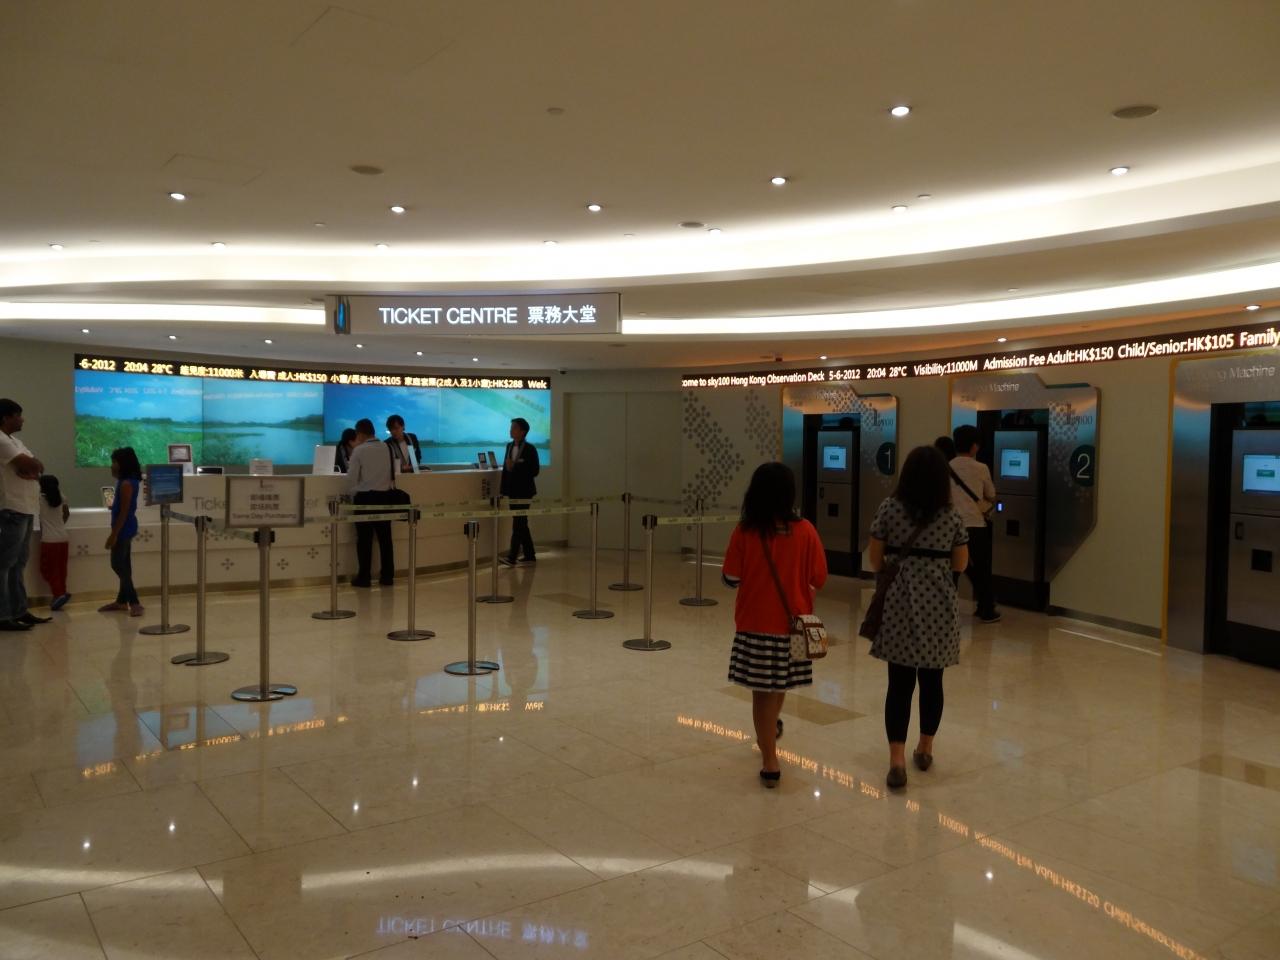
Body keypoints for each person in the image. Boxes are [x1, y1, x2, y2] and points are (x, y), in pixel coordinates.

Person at [867, 445, 969, 790]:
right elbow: (961, 563)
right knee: (932, 680)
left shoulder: (889, 508)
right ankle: (925, 749)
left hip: (899, 603)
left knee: (899, 684)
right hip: (939, 605)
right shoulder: (951, 516)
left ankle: (896, 760)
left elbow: (875, 559)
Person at [722, 462, 827, 788]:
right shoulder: (806, 531)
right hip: (794, 625)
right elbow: (819, 577)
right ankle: (770, 732)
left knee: (761, 692)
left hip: (754, 623)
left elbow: (730, 577)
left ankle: (770, 758)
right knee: (780, 684)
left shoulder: (745, 531)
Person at [0, 398, 50, 631]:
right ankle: (4, 615)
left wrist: (33, 468)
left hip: (26, 509)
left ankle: (19, 610)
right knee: (5, 564)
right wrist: (32, 467)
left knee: (18, 563)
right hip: (12, 508)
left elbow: (38, 467)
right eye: (18, 415)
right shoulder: (1, 440)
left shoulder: (15, 441)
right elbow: (31, 465)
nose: (22, 419)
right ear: (6, 417)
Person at [950, 424, 1000, 624]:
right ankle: (986, 609)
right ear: (974, 446)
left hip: (952, 526)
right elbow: (991, 494)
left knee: (952, 570)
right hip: (975, 526)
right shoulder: (981, 468)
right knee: (981, 569)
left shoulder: (947, 467)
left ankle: (948, 608)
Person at [347, 418, 396, 587]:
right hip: (385, 497)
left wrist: (352, 493)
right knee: (385, 539)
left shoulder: (359, 450)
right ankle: (387, 576)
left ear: (360, 433)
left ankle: (364, 577)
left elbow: (351, 478)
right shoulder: (387, 447)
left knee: (364, 540)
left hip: (365, 498)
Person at [99, 447, 144, 617]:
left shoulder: (126, 484)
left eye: (114, 462)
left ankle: (134, 601)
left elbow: (124, 512)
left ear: (122, 464)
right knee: (124, 565)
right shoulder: (127, 481)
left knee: (117, 564)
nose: (112, 465)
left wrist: (113, 535)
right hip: (127, 526)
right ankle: (121, 601)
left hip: (124, 528)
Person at [500, 417, 540, 565]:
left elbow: (535, 471)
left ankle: (512, 557)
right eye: (511, 427)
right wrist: (503, 490)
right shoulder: (509, 446)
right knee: (521, 522)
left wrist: (515, 466)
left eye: (514, 428)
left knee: (518, 523)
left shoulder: (530, 449)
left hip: (525, 491)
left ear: (523, 431)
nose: (511, 430)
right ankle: (530, 555)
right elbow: (506, 469)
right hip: (513, 491)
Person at [38, 475, 71, 610]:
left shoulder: (39, 499)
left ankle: (58, 594)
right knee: (61, 569)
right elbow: (67, 514)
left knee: (48, 569)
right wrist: (59, 526)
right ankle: (61, 593)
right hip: (63, 538)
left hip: (49, 540)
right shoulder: (62, 497)